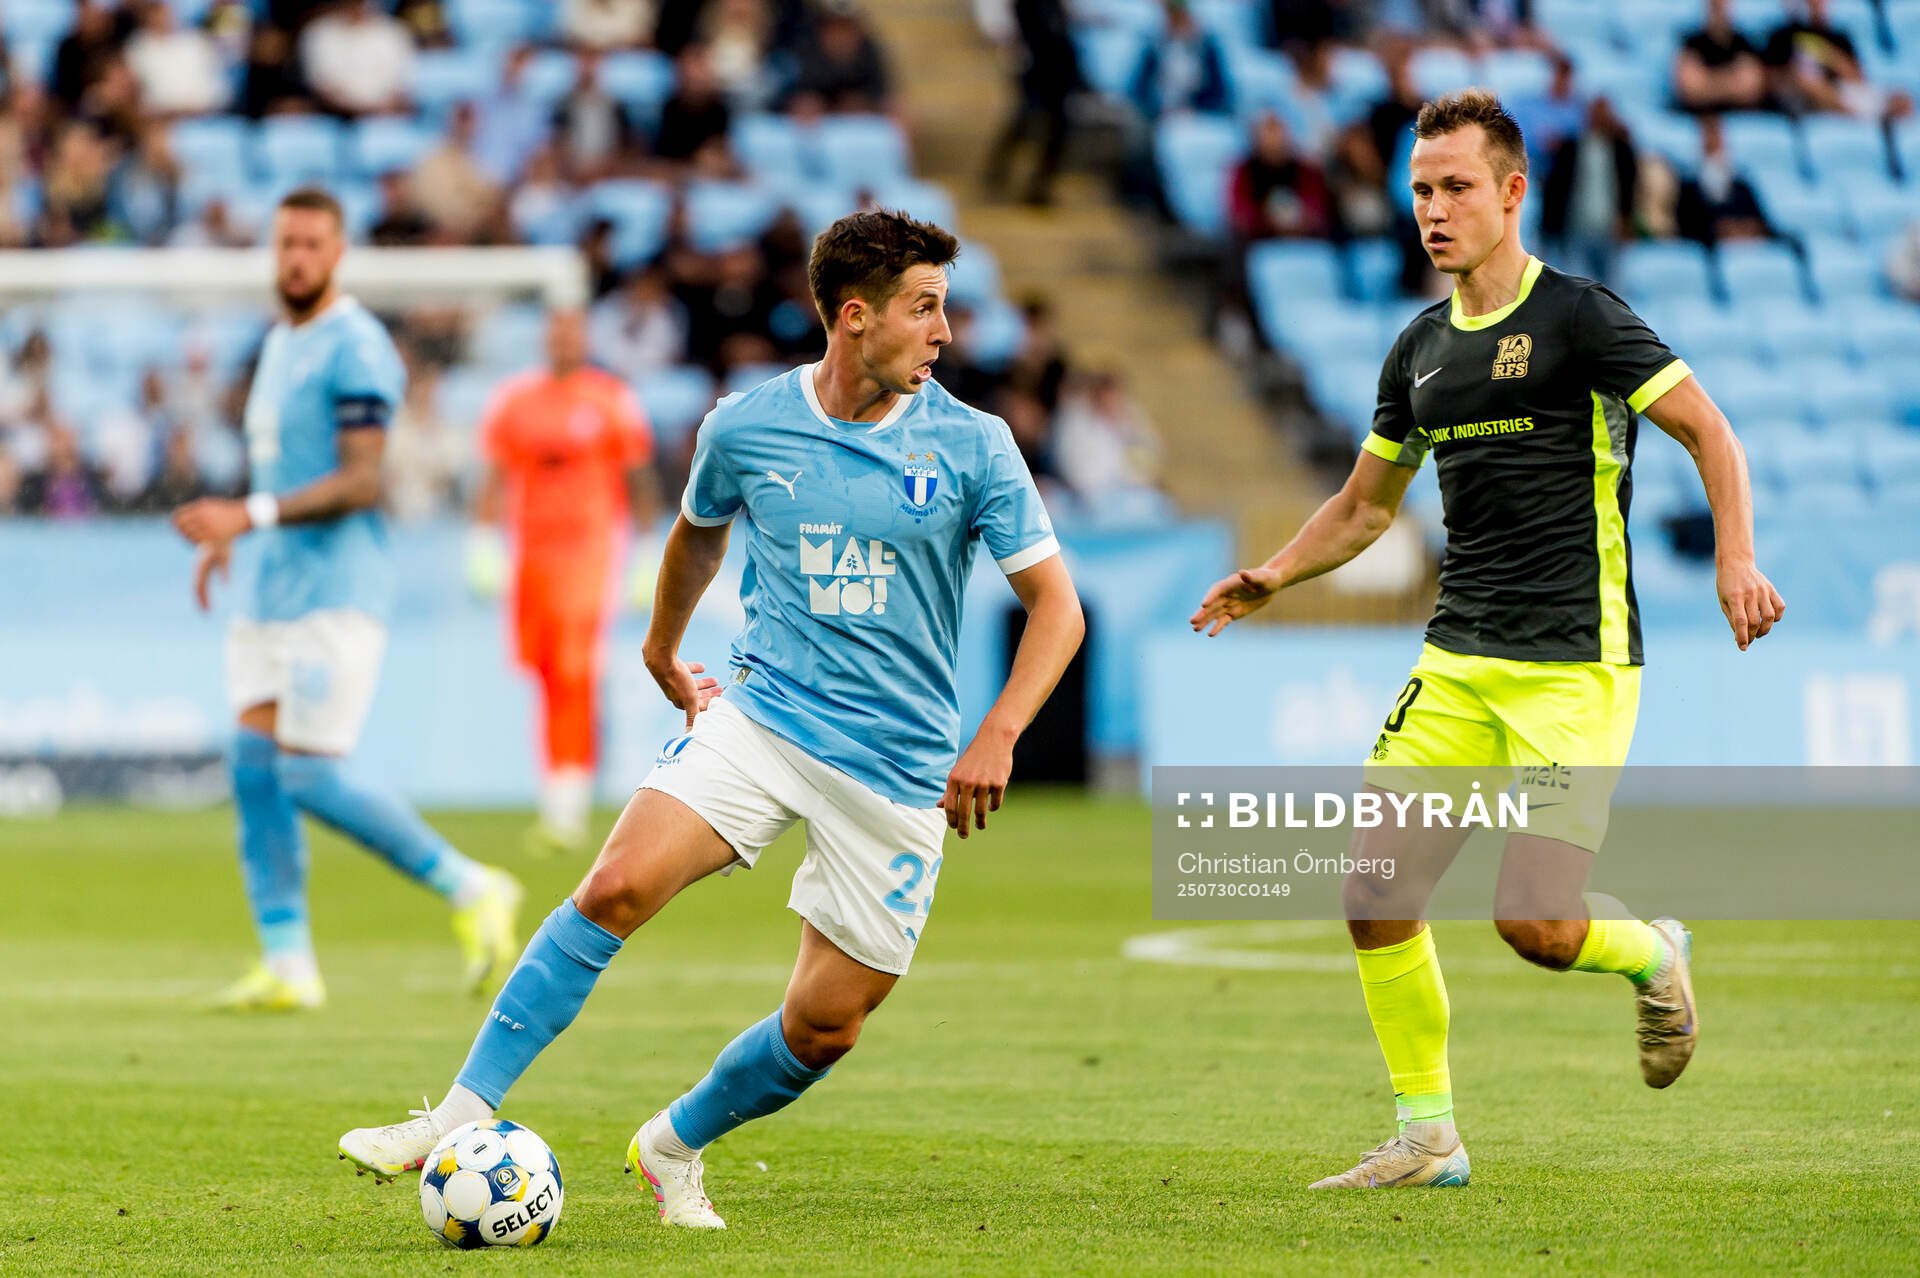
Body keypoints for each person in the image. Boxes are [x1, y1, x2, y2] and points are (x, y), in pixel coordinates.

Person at [338, 210, 1086, 1229]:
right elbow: (696, 535)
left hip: (898, 766)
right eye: (926, 308)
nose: (945, 331)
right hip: (766, 715)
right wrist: (659, 645)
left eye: (943, 309)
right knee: (615, 885)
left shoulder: (972, 444)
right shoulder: (746, 427)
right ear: (857, 318)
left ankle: (671, 1143)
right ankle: (456, 1112)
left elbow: (1058, 607)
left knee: (826, 1027)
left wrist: (997, 732)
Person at [1191, 90, 1784, 1189]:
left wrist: (1733, 556)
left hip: (1574, 666)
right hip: (1459, 661)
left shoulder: (1580, 318)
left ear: (1513, 193)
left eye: (1457, 186)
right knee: (1372, 894)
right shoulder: (1418, 350)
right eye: (1420, 189)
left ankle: (1654, 951)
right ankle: (1430, 1137)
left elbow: (1708, 428)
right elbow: (1367, 506)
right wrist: (1274, 571)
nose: (1434, 208)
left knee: (1537, 925)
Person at [171, 187, 523, 1013]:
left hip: (337, 591)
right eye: (285, 243)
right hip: (270, 589)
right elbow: (281, 473)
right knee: (254, 769)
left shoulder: (357, 347)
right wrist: (235, 532)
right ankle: (288, 961)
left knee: (310, 775)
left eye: (312, 245)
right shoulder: (279, 345)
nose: (296, 258)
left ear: (338, 253)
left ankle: (472, 886)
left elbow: (364, 480)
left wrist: (247, 514)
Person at [469, 310, 663, 854]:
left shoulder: (610, 400)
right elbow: (493, 474)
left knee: (575, 669)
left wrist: (646, 552)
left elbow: (639, 478)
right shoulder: (515, 402)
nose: (563, 341)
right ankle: (558, 793)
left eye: (572, 332)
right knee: (546, 672)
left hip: (588, 551)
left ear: (584, 339)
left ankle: (568, 808)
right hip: (532, 555)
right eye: (555, 332)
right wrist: (483, 541)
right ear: (544, 339)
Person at [1673, 0, 1768, 115]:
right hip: (1697, 117)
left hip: (1741, 118)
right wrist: (1732, 83)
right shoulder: (1691, 42)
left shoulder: (1744, 43)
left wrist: (1707, 83)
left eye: (1723, 6)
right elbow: (1690, 89)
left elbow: (1751, 88)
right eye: (1715, 6)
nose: (1720, 11)